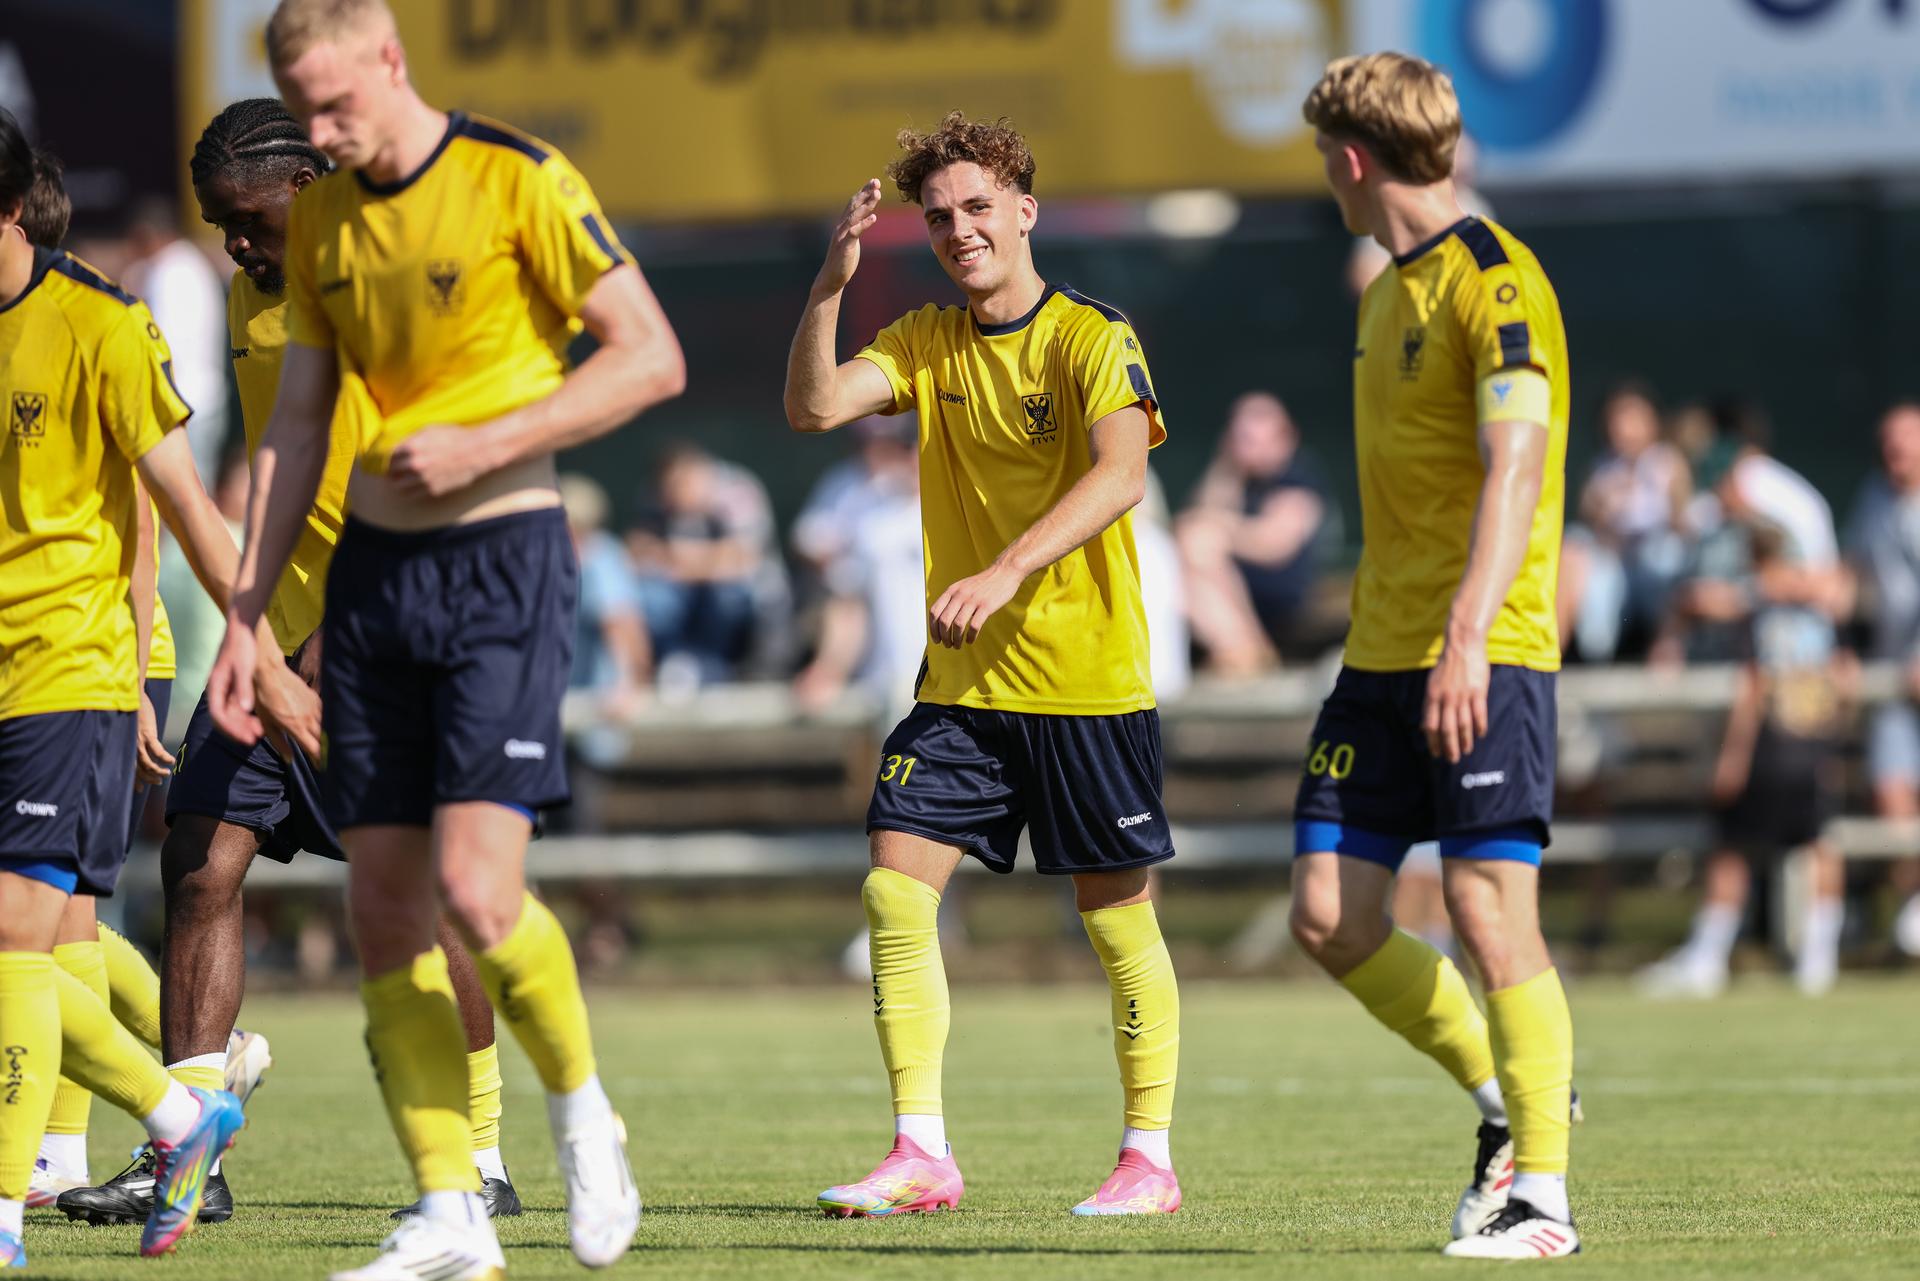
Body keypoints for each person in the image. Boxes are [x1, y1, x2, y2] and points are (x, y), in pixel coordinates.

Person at [206, 5, 684, 1276]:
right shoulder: (320, 222)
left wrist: (486, 442)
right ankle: (448, 1211)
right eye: (299, 109)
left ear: (389, 61)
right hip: (370, 587)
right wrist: (243, 618)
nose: (321, 130)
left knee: (478, 893)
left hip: (501, 568)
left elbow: (649, 359)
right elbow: (294, 428)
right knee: (383, 913)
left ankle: (584, 1116)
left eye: (333, 101)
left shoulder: (516, 177)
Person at [62, 97, 527, 1230]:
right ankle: (189, 1153)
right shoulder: (241, 296)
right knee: (200, 863)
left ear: (312, 187)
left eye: (252, 220)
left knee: (421, 909)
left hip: (395, 641)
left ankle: (482, 1154)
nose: (237, 245)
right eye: (221, 225)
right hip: (269, 642)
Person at [786, 110, 1183, 1218]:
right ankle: (921, 1152)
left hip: (1088, 685)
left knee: (1116, 922)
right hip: (962, 689)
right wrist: (829, 284)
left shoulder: (1093, 336)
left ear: (1024, 211)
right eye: (940, 215)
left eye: (977, 208)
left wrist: (1005, 570)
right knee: (892, 886)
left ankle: (1148, 1160)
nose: (960, 230)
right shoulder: (923, 340)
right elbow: (814, 407)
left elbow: (1121, 477)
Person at [0, 105, 310, 1265]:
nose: (236, 245)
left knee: (23, 946)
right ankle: (182, 1117)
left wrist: (207, 659)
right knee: (82, 927)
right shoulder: (209, 308)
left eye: (246, 219)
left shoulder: (100, 326)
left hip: (81, 665)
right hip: (61, 665)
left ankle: (24, 1196)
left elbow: (171, 511)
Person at [1288, 55, 1581, 1259]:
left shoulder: (1495, 281)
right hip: (1380, 654)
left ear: (1352, 160)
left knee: (1485, 909)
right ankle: (1509, 1105)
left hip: (1485, 646)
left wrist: (1466, 635)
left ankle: (1543, 1202)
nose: (1324, 179)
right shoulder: (1383, 290)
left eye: (1322, 158)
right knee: (1329, 917)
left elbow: (1516, 465)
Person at [1639, 522, 1850, 998]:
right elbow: (1845, 679)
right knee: (1819, 842)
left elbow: (1750, 689)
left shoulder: (1758, 610)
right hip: (1814, 742)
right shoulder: (1820, 610)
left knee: (1731, 848)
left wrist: (1731, 758)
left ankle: (1708, 956)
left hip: (1771, 743)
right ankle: (1820, 957)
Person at [1841, 403, 1920, 956]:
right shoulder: (1872, 499)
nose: (1896, 452)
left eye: (1906, 441)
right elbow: (1851, 576)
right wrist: (1841, 645)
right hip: (1894, 678)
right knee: (1891, 793)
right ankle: (1914, 903)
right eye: (1889, 441)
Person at [1176, 391, 1329, 674]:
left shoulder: (1297, 476)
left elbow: (1274, 544)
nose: (1247, 445)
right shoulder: (1236, 475)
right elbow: (1203, 510)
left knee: (1200, 541)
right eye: (1240, 437)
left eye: (1255, 438)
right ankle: (1242, 651)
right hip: (1232, 588)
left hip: (1280, 590)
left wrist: (1221, 529)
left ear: (1285, 437)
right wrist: (1228, 466)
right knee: (1184, 555)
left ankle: (1245, 653)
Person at [1556, 382, 1691, 661]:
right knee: (1578, 550)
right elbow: (1590, 523)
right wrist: (1605, 509)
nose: (1624, 428)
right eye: (1618, 420)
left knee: (1664, 555)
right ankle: (1591, 653)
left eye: (1633, 419)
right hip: (1615, 567)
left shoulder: (1669, 463)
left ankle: (1666, 649)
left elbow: (1684, 525)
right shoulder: (1602, 469)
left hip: (1655, 571)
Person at [627, 442, 780, 686]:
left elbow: (741, 560)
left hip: (752, 604)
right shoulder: (658, 492)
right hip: (685, 596)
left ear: (701, 474)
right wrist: (696, 561)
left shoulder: (737, 489)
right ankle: (675, 665)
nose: (675, 494)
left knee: (726, 595)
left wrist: (678, 561)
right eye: (670, 487)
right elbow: (636, 548)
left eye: (682, 484)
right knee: (650, 595)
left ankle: (718, 667)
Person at [121, 196, 231, 487]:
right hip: (201, 401)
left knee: (185, 507)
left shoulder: (170, 269)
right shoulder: (187, 263)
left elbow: (157, 343)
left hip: (184, 405)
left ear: (148, 235)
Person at [563, 472, 652, 711]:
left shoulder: (602, 557)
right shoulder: (545, 559)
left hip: (599, 702)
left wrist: (625, 684)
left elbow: (621, 623)